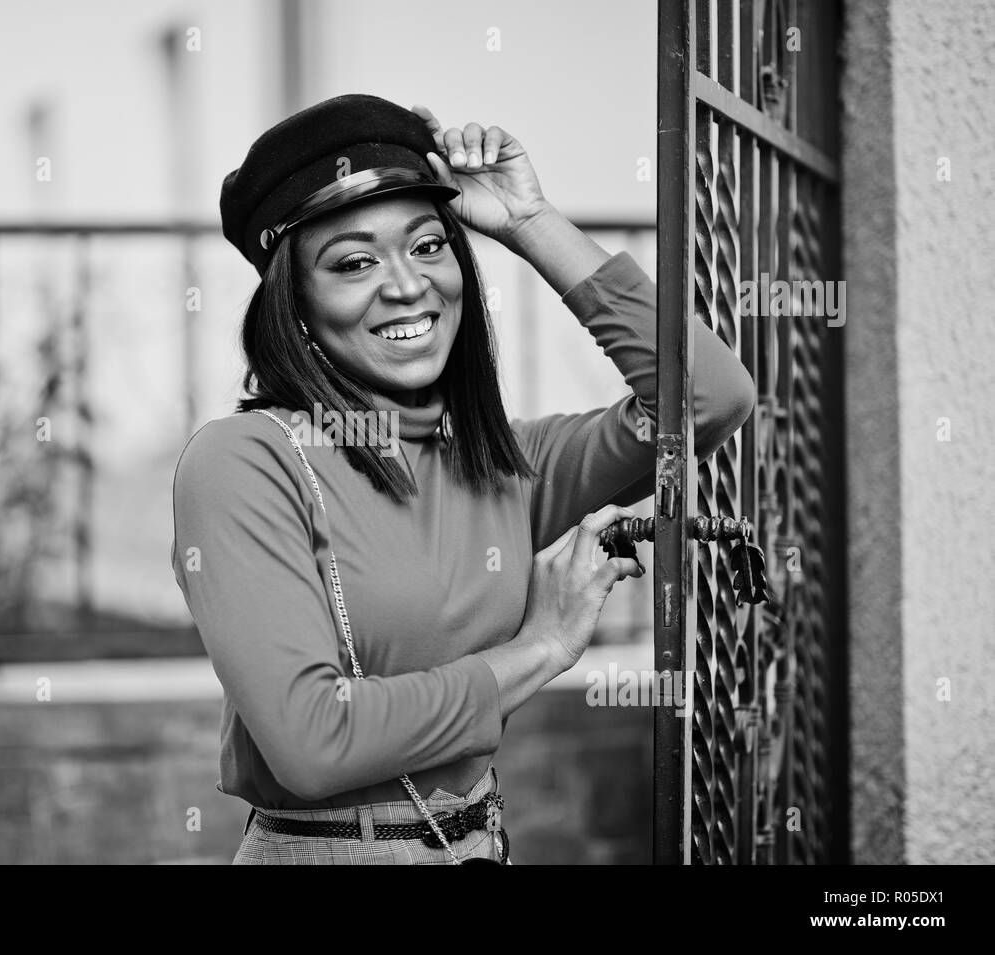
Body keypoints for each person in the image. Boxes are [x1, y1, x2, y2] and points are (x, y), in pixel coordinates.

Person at [171, 93, 754, 864]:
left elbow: (710, 397)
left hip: (479, 842)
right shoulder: (245, 463)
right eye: (353, 262)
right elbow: (313, 743)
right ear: (296, 303)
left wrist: (528, 221)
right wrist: (540, 648)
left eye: (427, 245)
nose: (408, 285)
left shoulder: (502, 465)